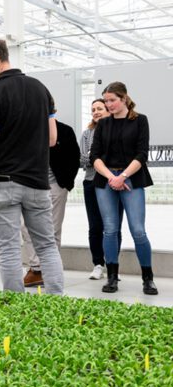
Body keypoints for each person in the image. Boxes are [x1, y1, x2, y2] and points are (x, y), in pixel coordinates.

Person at [0, 37, 64, 294]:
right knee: (46, 246)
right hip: (38, 183)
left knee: (9, 249)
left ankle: (14, 310)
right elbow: (53, 138)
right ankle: (58, 303)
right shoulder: (41, 89)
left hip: (5, 184)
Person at [91, 81, 157, 295]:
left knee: (138, 230)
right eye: (106, 100)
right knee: (110, 229)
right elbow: (94, 156)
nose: (108, 105)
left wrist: (124, 176)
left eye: (112, 100)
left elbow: (142, 154)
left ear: (124, 99)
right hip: (107, 179)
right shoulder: (103, 125)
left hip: (132, 178)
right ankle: (112, 278)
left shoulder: (140, 121)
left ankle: (148, 278)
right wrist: (112, 177)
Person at [22, 116, 80, 287]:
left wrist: (65, 184)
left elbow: (74, 158)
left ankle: (50, 271)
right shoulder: (26, 128)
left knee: (52, 230)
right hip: (30, 186)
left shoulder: (65, 130)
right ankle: (36, 269)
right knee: (25, 227)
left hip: (55, 186)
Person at [80, 98, 123, 280]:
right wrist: (98, 159)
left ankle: (112, 264)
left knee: (114, 226)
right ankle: (98, 264)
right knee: (95, 226)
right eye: (93, 110)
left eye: (99, 108)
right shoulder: (87, 134)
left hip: (115, 183)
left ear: (109, 110)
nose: (96, 112)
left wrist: (96, 158)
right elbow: (82, 160)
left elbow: (120, 157)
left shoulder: (118, 130)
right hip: (91, 182)